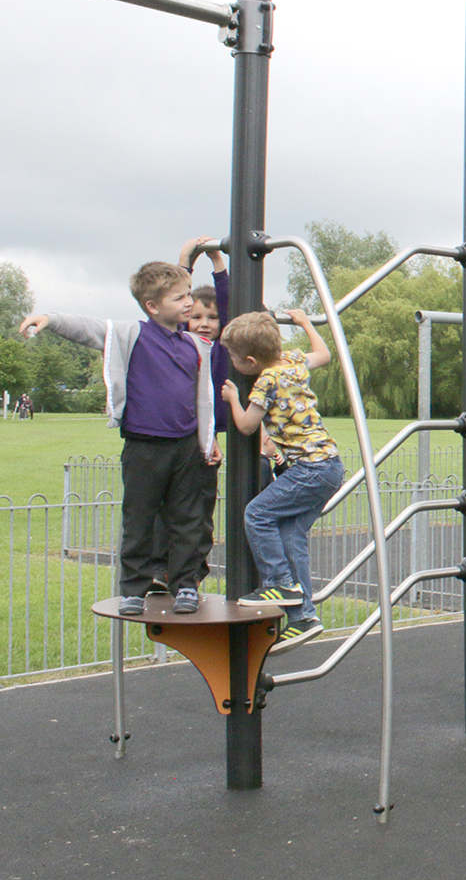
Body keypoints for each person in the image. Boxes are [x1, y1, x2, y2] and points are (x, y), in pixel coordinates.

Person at [18, 262, 217, 616]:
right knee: (138, 518)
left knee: (188, 517)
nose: (189, 302)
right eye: (180, 297)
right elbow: (90, 329)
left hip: (186, 445)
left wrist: (206, 440)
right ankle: (134, 589)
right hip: (144, 445)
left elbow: (204, 398)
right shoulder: (133, 334)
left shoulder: (195, 344)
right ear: (153, 307)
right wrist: (49, 319)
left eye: (189, 294)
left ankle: (185, 583)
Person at [219, 309, 344, 655]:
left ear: (248, 360)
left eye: (232, 357)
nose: (230, 361)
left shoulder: (265, 381)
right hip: (329, 464)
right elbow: (324, 354)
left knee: (257, 514)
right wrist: (305, 324)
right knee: (291, 535)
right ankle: (304, 617)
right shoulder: (292, 360)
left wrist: (232, 400)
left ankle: (279, 583)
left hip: (308, 468)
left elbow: (246, 425)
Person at [145, 236, 230, 595]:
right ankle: (161, 570)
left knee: (200, 511)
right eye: (196, 316)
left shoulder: (223, 346)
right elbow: (173, 297)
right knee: (167, 509)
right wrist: (184, 260)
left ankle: (192, 573)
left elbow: (230, 306)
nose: (204, 323)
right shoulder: (179, 343)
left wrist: (218, 263)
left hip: (209, 438)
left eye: (211, 317)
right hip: (180, 435)